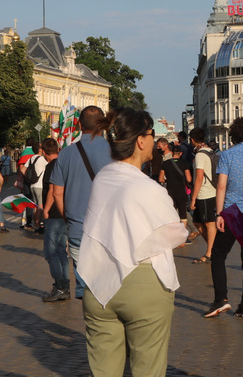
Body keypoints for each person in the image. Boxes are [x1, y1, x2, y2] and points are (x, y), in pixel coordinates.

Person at [80, 109, 188, 377]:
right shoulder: (149, 188)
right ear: (141, 141)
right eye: (152, 135)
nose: (153, 141)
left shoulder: (102, 178)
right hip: (144, 284)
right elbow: (176, 233)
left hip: (98, 283)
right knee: (147, 370)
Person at [47, 106, 111, 300]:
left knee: (85, 286)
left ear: (79, 125)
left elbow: (57, 192)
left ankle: (91, 325)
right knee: (110, 283)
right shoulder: (116, 151)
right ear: (103, 125)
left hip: (78, 227)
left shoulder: (65, 154)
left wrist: (67, 215)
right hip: (110, 229)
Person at [206, 117, 243, 319]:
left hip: (232, 212)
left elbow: (221, 186)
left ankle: (220, 299)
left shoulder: (226, 155)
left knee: (218, 255)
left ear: (232, 137)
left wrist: (219, 213)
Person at [38, 138, 69, 301]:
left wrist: (46, 210)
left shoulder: (52, 166)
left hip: (55, 214)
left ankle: (60, 286)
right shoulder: (64, 164)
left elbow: (52, 190)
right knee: (61, 250)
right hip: (64, 213)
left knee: (50, 252)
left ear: (43, 152)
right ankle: (65, 285)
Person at [189, 128, 217, 265]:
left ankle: (210, 252)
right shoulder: (210, 151)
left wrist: (193, 198)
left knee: (209, 223)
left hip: (205, 193)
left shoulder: (200, 155)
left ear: (192, 140)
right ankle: (213, 247)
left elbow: (199, 178)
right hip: (210, 191)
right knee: (197, 222)